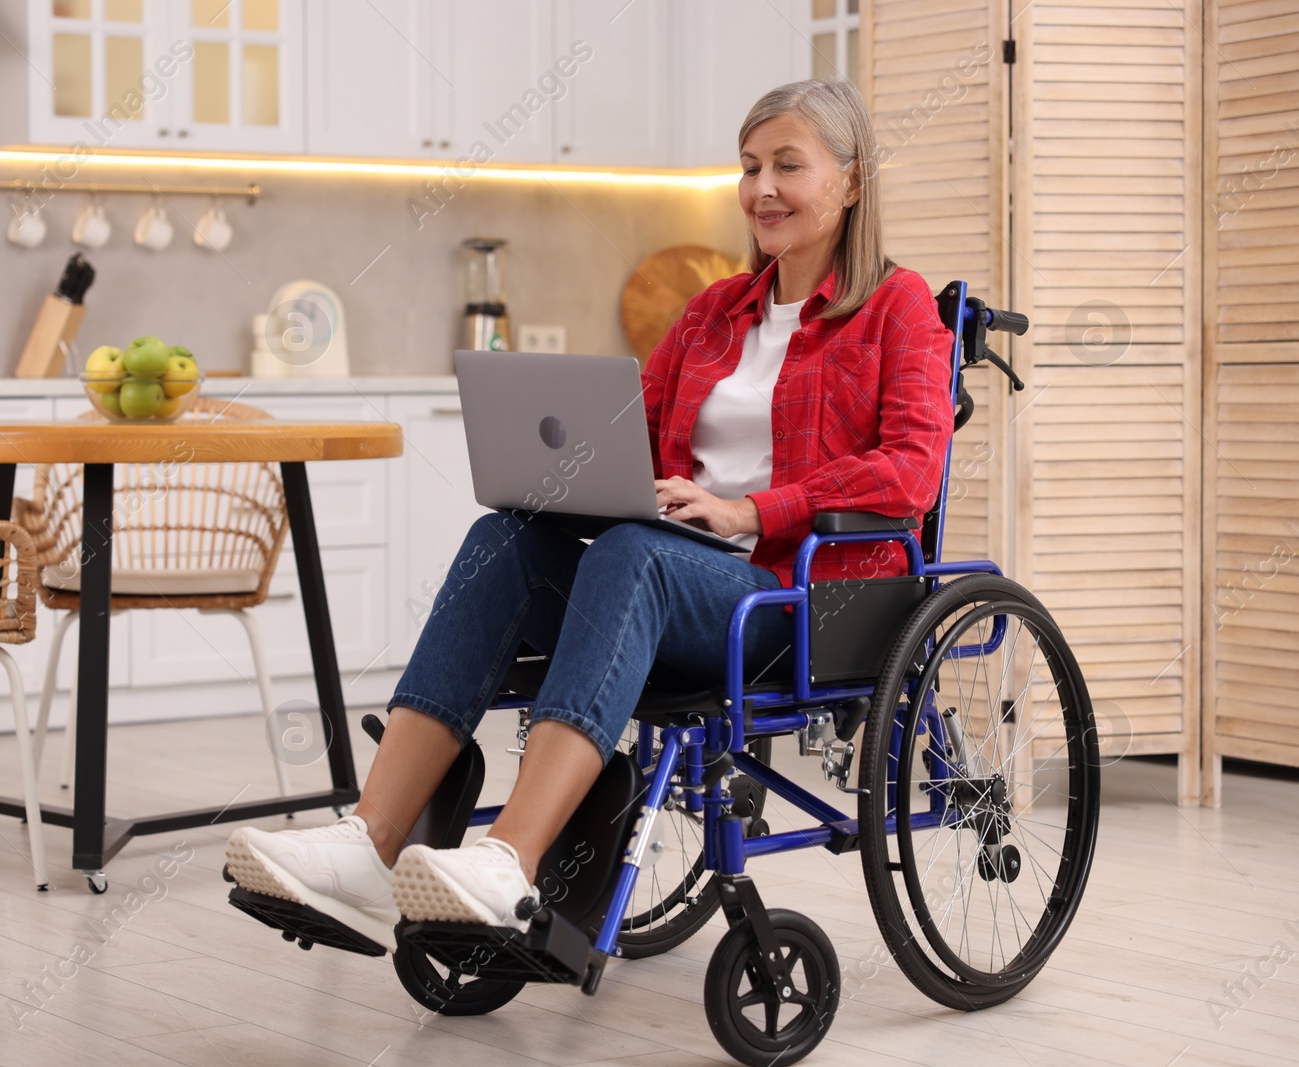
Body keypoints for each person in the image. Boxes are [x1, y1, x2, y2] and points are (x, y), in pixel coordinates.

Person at [224, 79, 956, 951]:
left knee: (630, 556)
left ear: (853, 181)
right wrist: (570, 473)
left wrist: (745, 508)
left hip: (792, 601)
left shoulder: (898, 308)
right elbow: (628, 437)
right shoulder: (712, 313)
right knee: (507, 538)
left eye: (788, 166)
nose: (762, 188)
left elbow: (911, 473)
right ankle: (369, 841)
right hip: (672, 574)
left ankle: (509, 863)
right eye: (750, 166)